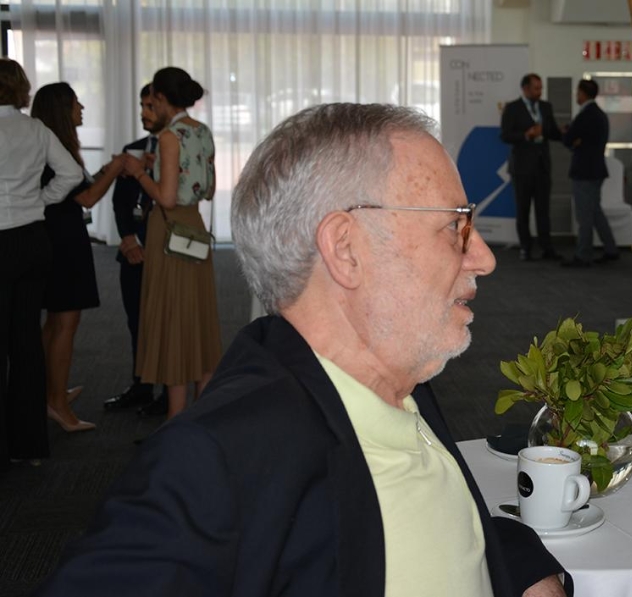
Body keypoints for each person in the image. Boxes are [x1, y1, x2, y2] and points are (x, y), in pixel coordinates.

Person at [35, 103, 570, 597]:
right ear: (345, 250)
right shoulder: (218, 457)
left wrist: (520, 564)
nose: (482, 257)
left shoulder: (396, 378)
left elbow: (432, 510)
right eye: (454, 225)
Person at [30, 82, 133, 433]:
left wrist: (108, 169)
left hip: (56, 236)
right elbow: (86, 199)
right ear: (63, 109)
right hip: (63, 241)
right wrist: (117, 168)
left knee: (55, 323)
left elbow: (79, 189)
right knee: (65, 324)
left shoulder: (49, 142)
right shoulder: (53, 144)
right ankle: (56, 404)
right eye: (76, 103)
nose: (82, 108)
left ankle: (49, 392)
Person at [122, 67, 221, 419]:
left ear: (162, 98)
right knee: (197, 318)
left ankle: (176, 423)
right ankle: (204, 417)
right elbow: (206, 187)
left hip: (169, 231)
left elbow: (164, 198)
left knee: (174, 320)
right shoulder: (202, 131)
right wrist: (161, 168)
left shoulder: (168, 136)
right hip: (194, 224)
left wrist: (139, 174)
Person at [0, 59, 83, 469]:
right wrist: (40, 201)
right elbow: (71, 173)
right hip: (33, 240)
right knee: (26, 341)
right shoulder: (35, 129)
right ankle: (29, 445)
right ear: (20, 90)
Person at [103, 84, 165, 413]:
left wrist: (152, 172)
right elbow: (120, 202)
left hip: (166, 250)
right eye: (142, 105)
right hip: (134, 251)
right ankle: (141, 385)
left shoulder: (178, 149)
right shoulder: (133, 150)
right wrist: (127, 238)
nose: (143, 112)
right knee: (136, 320)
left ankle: (171, 394)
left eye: (151, 106)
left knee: (168, 322)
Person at [501, 73, 563, 261]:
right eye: (536, 88)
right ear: (525, 89)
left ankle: (546, 247)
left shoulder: (545, 107)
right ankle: (525, 248)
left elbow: (553, 132)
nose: (540, 91)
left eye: (541, 88)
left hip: (542, 166)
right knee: (523, 209)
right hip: (522, 167)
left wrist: (553, 131)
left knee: (543, 210)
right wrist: (526, 135)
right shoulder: (512, 108)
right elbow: (505, 135)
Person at [560, 78, 618, 268]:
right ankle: (610, 249)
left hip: (584, 172)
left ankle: (584, 254)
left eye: (578, 92)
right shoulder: (600, 114)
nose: (576, 95)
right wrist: (576, 140)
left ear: (583, 93)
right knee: (595, 211)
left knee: (584, 214)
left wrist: (572, 138)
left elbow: (569, 139)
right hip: (597, 170)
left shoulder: (585, 115)